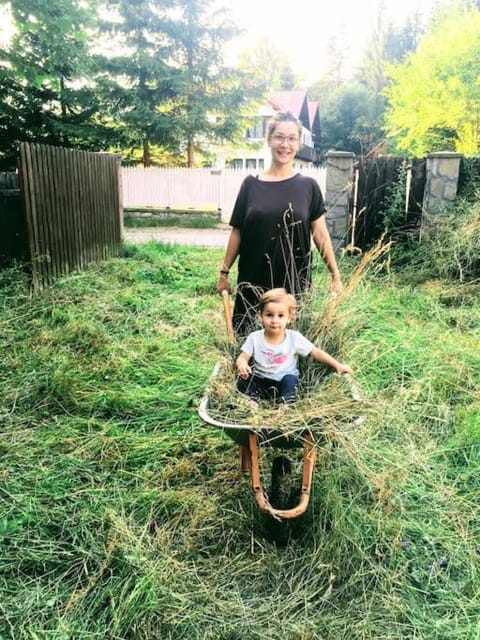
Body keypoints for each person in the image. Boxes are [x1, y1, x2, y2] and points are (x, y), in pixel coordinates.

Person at [216, 109, 343, 337]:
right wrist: (224, 273)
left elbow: (320, 234)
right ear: (269, 140)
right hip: (252, 282)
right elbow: (238, 232)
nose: (286, 144)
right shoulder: (250, 185)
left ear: (298, 144)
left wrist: (335, 274)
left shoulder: (308, 187)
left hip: (292, 283)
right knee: (247, 347)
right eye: (280, 137)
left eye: (292, 138)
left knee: (290, 351)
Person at [235, 288, 352, 406]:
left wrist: (337, 365)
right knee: (244, 379)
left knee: (291, 380)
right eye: (269, 315)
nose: (274, 320)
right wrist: (242, 364)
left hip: (283, 382)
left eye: (281, 316)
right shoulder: (254, 337)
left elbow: (315, 352)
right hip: (260, 379)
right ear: (260, 316)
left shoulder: (294, 338)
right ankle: (252, 401)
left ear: (289, 318)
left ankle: (284, 404)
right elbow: (243, 356)